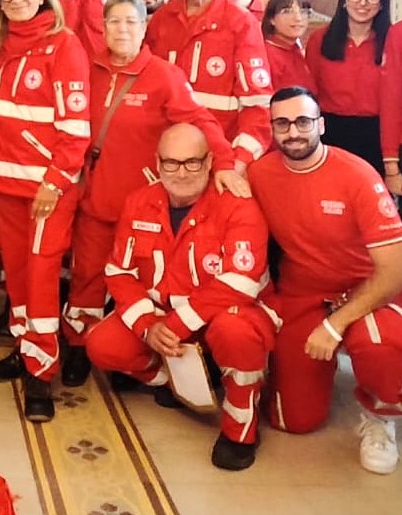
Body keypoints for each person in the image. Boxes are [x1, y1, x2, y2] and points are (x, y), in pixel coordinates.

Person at [62, 0, 242, 384]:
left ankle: (149, 353)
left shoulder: (163, 75)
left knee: (145, 281)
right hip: (92, 199)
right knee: (87, 278)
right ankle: (78, 345)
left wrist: (225, 163)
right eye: (114, 21)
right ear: (102, 28)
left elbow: (200, 121)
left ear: (144, 28)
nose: (122, 29)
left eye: (131, 21)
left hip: (144, 208)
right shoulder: (86, 68)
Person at [85, 123, 278, 471]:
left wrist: (171, 326)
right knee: (102, 344)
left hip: (230, 313)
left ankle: (240, 430)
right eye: (172, 163)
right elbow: (120, 272)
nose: (182, 172)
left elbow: (241, 281)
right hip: (165, 317)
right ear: (158, 163)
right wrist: (148, 327)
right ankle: (176, 380)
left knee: (235, 332)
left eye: (192, 162)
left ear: (208, 163)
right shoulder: (139, 202)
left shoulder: (238, 205)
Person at [251, 87, 402, 474]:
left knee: (380, 347)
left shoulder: (356, 175)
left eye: (303, 121)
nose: (293, 132)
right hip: (303, 293)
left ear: (320, 124)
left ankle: (380, 414)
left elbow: (395, 268)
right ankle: (319, 368)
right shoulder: (261, 174)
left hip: (369, 290)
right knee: (293, 422)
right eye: (282, 123)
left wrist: (335, 326)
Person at [0, 0, 90, 422]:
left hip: (48, 188)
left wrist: (54, 183)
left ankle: (41, 374)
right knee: (18, 274)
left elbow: (75, 130)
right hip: (7, 183)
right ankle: (25, 347)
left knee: (43, 276)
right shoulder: (3, 45)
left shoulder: (64, 46)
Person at [146, 0, 273, 170]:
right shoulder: (162, 20)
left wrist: (240, 160)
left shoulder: (242, 23)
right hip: (167, 155)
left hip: (219, 156)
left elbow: (257, 104)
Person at [305, 0, 400, 181]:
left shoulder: (391, 41)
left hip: (377, 136)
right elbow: (309, 94)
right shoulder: (320, 40)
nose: (363, 3)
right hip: (330, 133)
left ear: (382, 2)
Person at [261, 0, 316, 93]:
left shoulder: (296, 49)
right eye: (287, 11)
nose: (298, 18)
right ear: (271, 19)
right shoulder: (268, 55)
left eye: (303, 11)